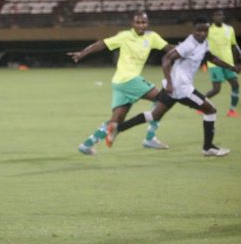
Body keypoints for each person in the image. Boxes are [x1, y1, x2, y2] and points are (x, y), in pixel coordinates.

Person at [106, 16, 239, 157]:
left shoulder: (204, 43)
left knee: (154, 114)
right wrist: (169, 82)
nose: (202, 33)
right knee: (211, 110)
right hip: (181, 88)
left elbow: (211, 58)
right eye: (199, 30)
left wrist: (230, 67)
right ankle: (208, 148)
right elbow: (166, 58)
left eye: (205, 30)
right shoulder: (189, 45)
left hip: (174, 88)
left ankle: (117, 128)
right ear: (193, 30)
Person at [67, 11, 174, 155]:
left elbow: (169, 49)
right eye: (138, 22)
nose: (141, 25)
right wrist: (82, 53)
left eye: (144, 22)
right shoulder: (124, 36)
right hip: (128, 80)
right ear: (133, 24)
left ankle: (87, 145)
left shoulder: (152, 37)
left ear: (147, 23)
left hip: (120, 83)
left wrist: (189, 48)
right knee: (164, 99)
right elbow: (102, 44)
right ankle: (150, 137)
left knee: (116, 121)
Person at [205, 10, 241, 117]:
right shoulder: (209, 30)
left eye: (220, 15)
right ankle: (200, 104)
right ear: (212, 17)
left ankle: (232, 110)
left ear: (223, 17)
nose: (218, 17)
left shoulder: (229, 29)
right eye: (216, 15)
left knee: (235, 85)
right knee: (216, 89)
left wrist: (239, 57)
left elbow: (234, 45)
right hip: (214, 63)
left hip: (229, 63)